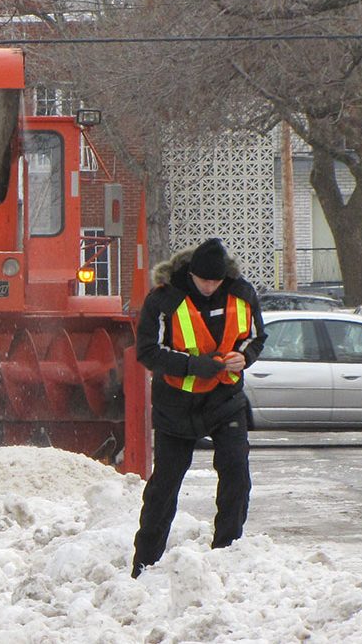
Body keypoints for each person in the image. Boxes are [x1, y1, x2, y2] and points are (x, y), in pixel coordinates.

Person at [131, 237, 267, 578]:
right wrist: (193, 365)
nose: (209, 286)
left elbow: (256, 337)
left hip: (226, 401)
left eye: (215, 281)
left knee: (236, 473)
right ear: (191, 274)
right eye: (203, 280)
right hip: (176, 406)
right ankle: (144, 564)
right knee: (164, 486)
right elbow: (147, 351)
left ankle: (227, 552)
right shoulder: (164, 299)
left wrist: (245, 357)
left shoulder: (242, 294)